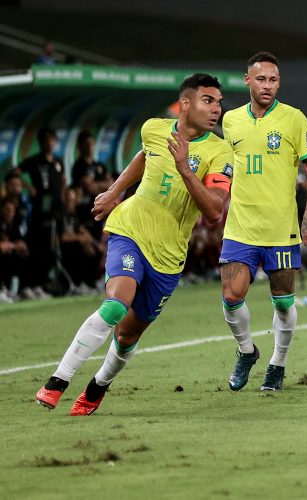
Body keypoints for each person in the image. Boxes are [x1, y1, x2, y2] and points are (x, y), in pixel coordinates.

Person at [35, 73, 232, 415]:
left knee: (126, 337)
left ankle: (97, 387)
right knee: (115, 305)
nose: (216, 109)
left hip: (169, 256)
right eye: (208, 100)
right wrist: (115, 191)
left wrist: (186, 169)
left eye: (218, 102)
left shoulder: (220, 151)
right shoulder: (153, 128)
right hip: (130, 228)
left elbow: (214, 211)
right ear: (185, 103)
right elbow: (144, 156)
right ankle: (57, 381)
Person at [219, 52, 307, 392]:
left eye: (273, 80)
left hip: (281, 229)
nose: (268, 86)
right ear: (247, 80)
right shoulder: (230, 121)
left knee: (282, 302)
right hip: (240, 227)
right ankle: (247, 351)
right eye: (261, 79)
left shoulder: (294, 119)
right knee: (231, 295)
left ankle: (277, 364)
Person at [17, 126, 66, 299]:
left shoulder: (58, 162)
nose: (48, 142)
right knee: (38, 250)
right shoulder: (34, 160)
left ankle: (44, 284)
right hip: (38, 213)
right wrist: (28, 186)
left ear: (55, 141)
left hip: (56, 212)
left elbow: (63, 182)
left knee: (51, 251)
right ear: (40, 142)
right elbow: (14, 173)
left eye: (51, 139)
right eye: (45, 139)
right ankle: (31, 285)